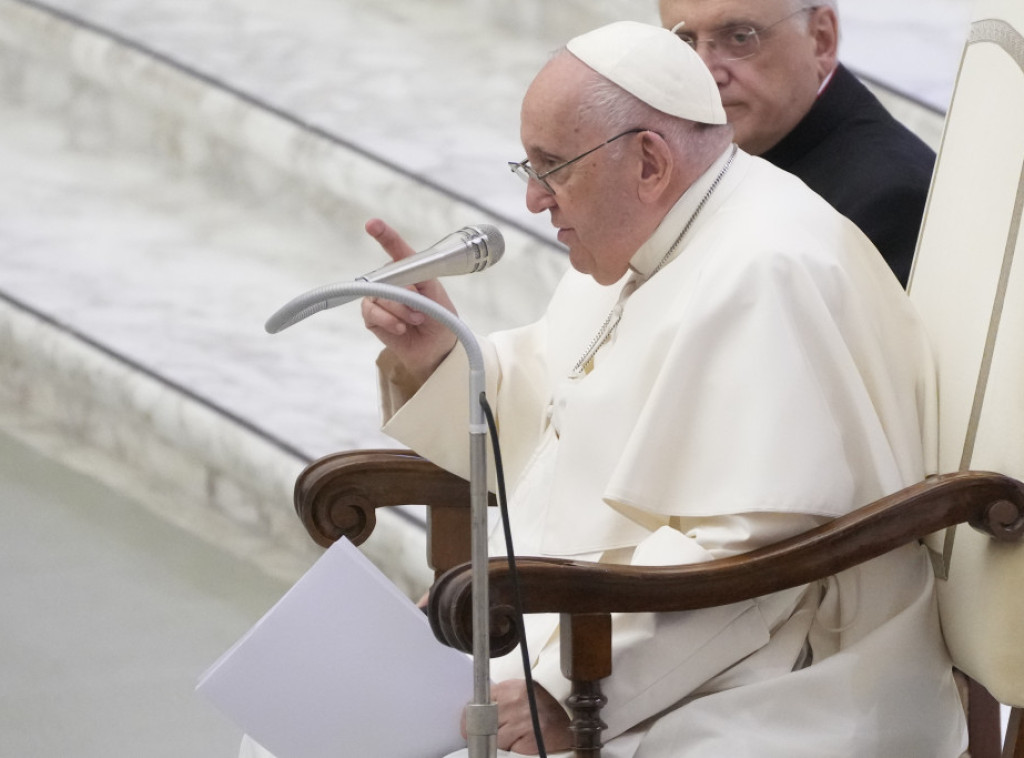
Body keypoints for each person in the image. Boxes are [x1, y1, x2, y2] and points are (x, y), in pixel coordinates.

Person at [241, 19, 964, 758]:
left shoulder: (767, 271)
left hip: (780, 686)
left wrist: (563, 693)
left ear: (649, 162)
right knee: (287, 735)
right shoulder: (653, 237)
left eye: (550, 168)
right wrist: (437, 358)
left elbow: (747, 570)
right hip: (602, 636)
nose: (534, 202)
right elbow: (557, 416)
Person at [658, 0, 936, 286]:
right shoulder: (682, 161)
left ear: (821, 39)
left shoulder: (891, 201)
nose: (705, 74)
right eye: (683, 42)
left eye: (740, 37)